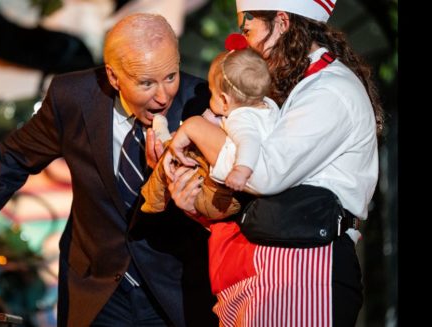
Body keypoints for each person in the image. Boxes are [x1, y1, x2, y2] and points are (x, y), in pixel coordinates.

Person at [0, 13, 218, 327]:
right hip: (98, 288)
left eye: (171, 76)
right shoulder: (73, 98)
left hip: (174, 289)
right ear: (115, 77)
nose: (163, 95)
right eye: (146, 83)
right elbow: (13, 158)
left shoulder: (200, 105)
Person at [164, 0, 383, 326]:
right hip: (266, 273)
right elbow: (255, 197)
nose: (244, 44)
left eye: (248, 30)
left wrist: (195, 129)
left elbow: (263, 174)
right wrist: (197, 205)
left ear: (281, 23)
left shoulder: (330, 91)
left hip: (306, 273)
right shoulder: (291, 85)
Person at [141, 46, 278, 220]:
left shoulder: (241, 120)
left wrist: (241, 170)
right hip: (228, 200)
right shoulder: (268, 106)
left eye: (212, 94)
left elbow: (249, 141)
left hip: (217, 196)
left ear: (224, 100)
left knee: (172, 158)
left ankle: (153, 200)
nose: (209, 98)